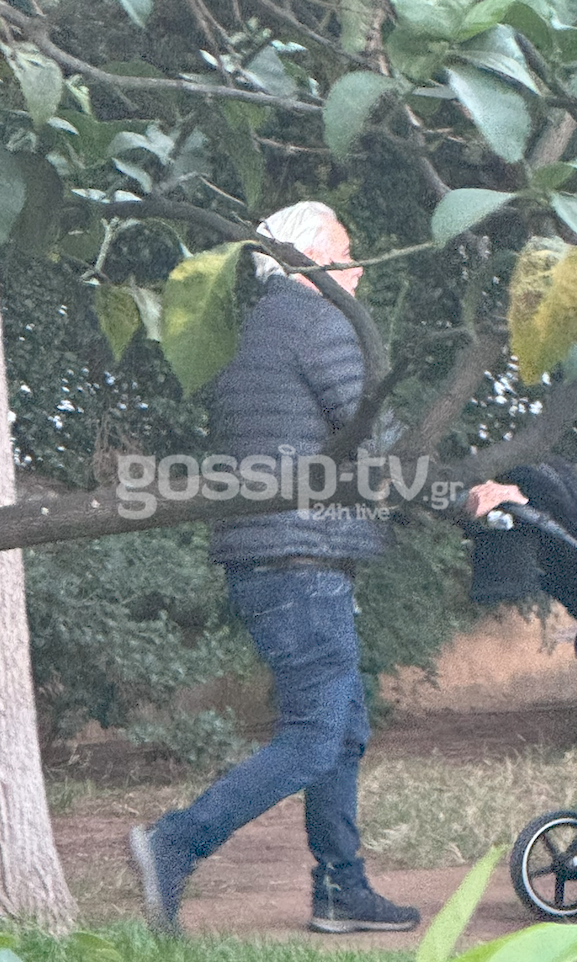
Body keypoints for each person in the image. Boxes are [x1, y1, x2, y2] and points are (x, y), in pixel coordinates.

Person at [129, 201, 421, 936]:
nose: (359, 271)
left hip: (270, 555)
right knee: (315, 735)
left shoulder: (250, 330)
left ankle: (340, 890)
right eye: (347, 254)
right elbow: (378, 444)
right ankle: (175, 842)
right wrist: (465, 495)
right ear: (310, 260)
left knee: (341, 729)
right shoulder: (321, 321)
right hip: (302, 559)